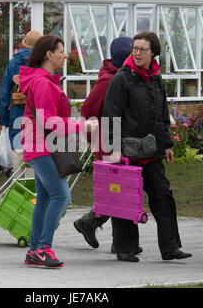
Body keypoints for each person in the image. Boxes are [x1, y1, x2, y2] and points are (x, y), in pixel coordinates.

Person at [102, 31, 192, 263]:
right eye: (135, 48)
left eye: (143, 49)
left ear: (153, 53)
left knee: (163, 195)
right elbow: (110, 114)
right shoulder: (122, 78)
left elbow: (161, 114)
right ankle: (125, 248)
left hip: (151, 151)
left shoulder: (155, 78)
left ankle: (170, 247)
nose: (138, 52)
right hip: (125, 151)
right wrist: (114, 148)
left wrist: (167, 145)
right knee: (125, 199)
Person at [19, 35, 98, 268]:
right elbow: (49, 121)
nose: (65, 55)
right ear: (48, 54)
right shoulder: (42, 83)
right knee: (62, 196)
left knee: (45, 198)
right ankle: (43, 248)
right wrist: (82, 126)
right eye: (61, 51)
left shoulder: (43, 80)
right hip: (43, 147)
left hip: (41, 146)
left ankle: (34, 250)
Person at [73, 36, 139, 252]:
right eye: (132, 52)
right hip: (109, 141)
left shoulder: (123, 76)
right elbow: (87, 109)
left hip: (120, 139)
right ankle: (89, 223)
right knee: (117, 190)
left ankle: (118, 240)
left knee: (122, 189)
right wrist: (99, 134)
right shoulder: (109, 81)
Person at [0, 30, 42, 175]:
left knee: (18, 148)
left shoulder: (13, 63)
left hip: (17, 112)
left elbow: (4, 94)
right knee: (35, 149)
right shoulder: (44, 63)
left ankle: (17, 185)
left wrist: (3, 119)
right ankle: (33, 187)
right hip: (38, 113)